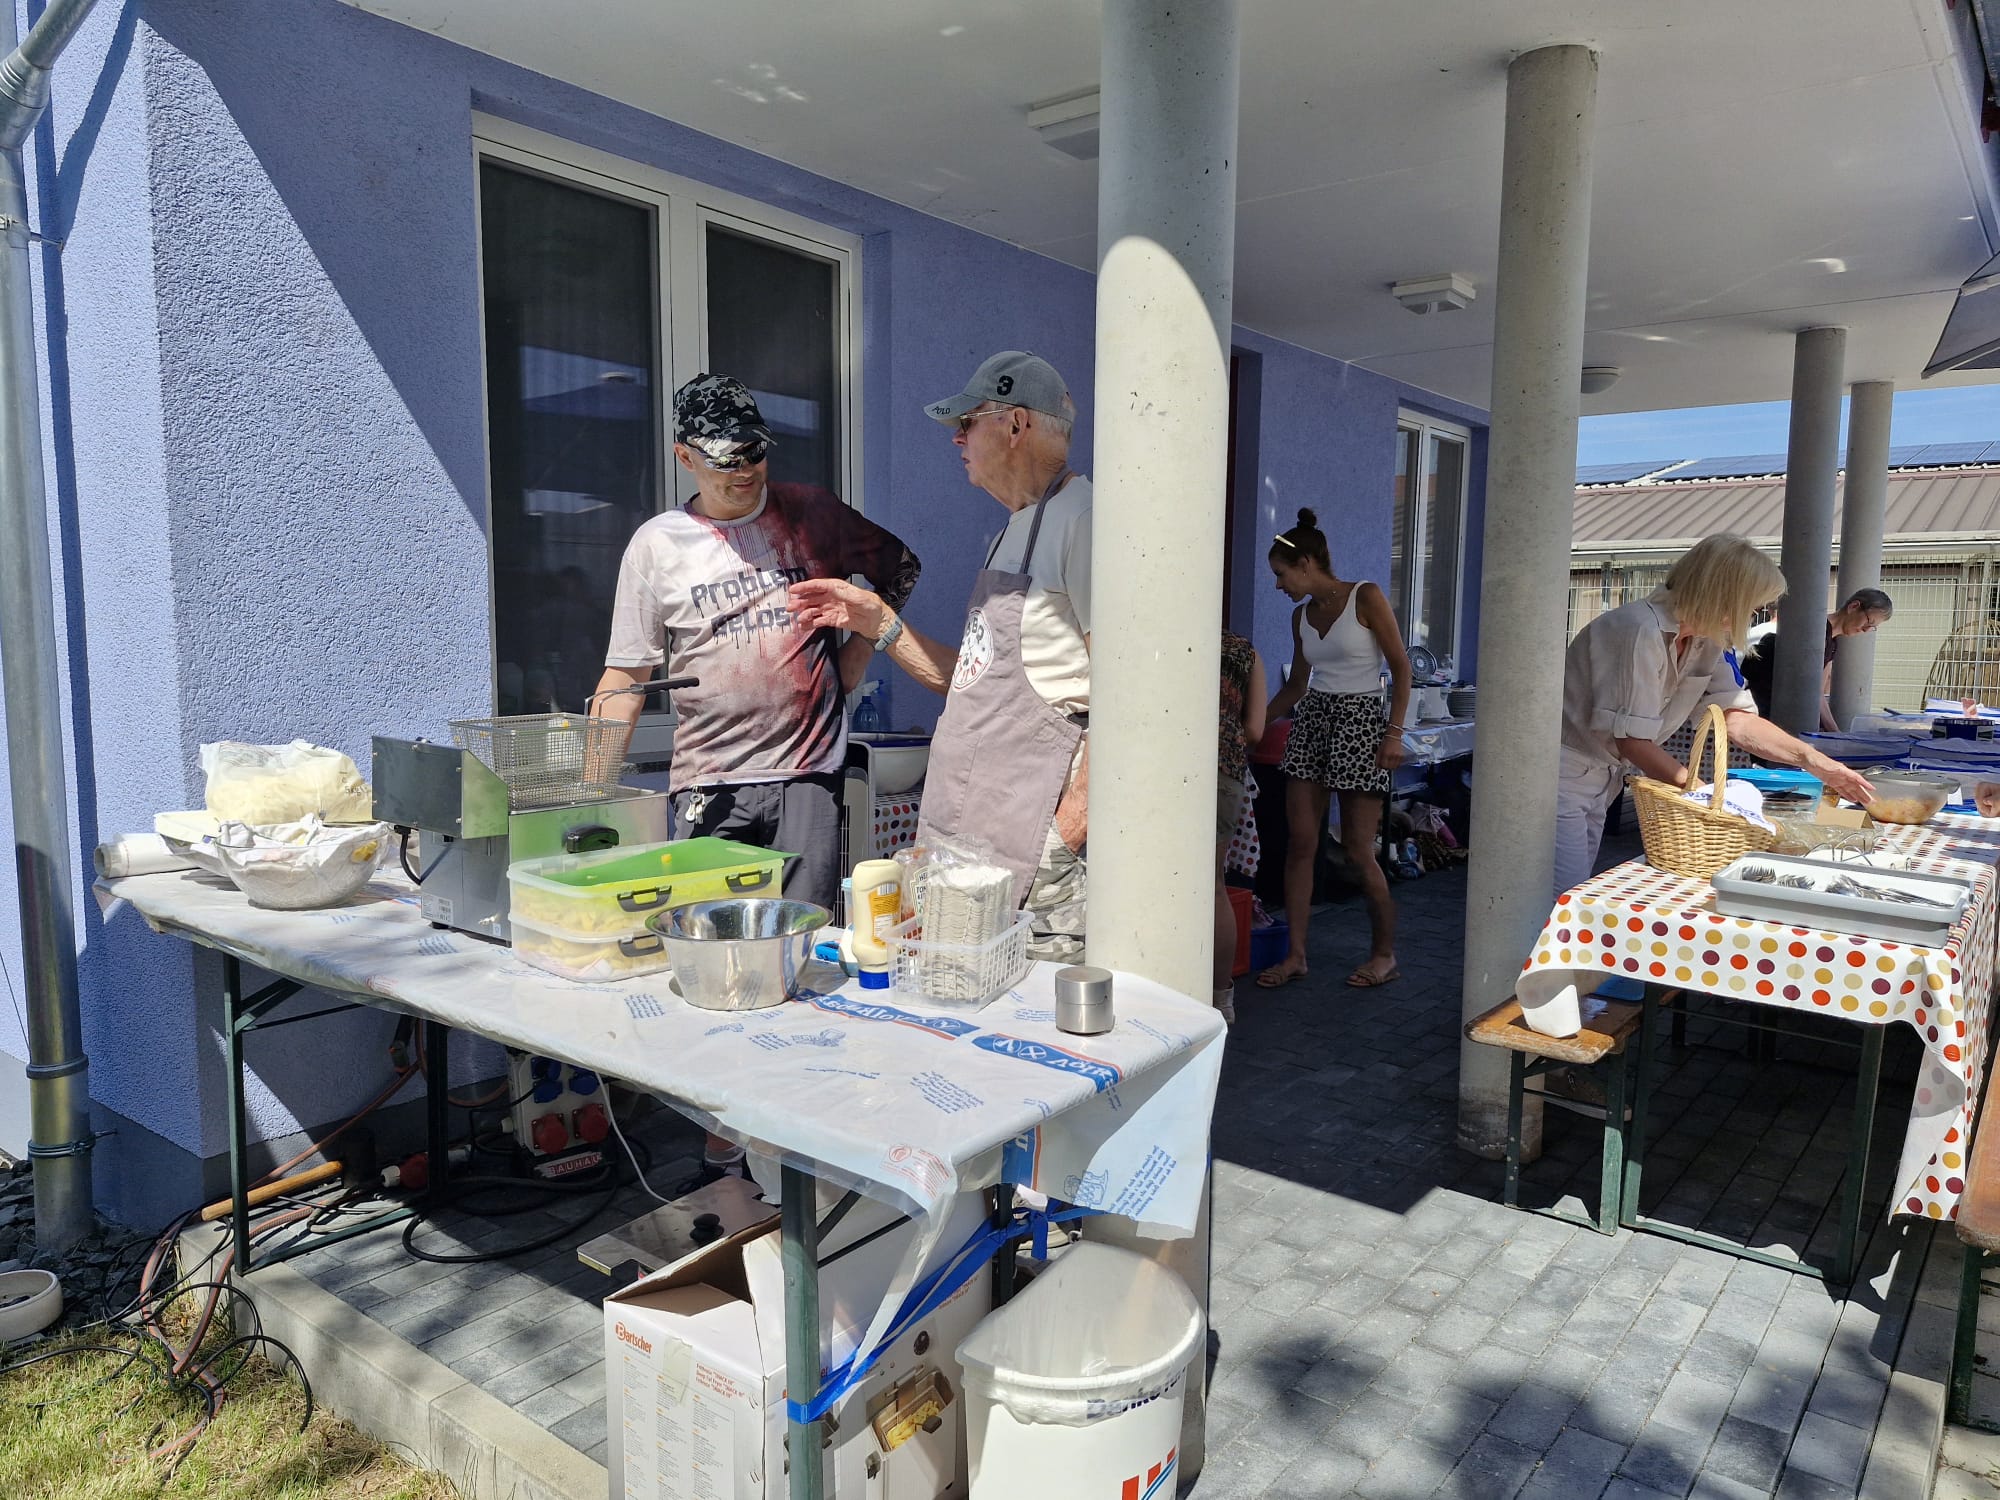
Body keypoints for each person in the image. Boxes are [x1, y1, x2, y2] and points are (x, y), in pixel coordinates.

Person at [595, 373, 921, 1190]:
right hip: (707, 783)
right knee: (715, 970)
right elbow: (625, 676)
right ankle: (725, 1139)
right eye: (724, 460)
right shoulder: (657, 546)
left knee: (802, 959)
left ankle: (800, 1132)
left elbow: (898, 573)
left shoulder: (813, 514)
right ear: (685, 457)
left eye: (753, 455)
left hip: (808, 772)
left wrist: (853, 661)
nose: (743, 472)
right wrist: (588, 795)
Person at [790, 351, 1092, 961]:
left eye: (967, 422)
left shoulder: (1084, 522)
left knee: (1034, 1007)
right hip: (981, 836)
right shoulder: (1013, 531)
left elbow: (1133, 696)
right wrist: (878, 623)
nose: (956, 438)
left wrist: (1068, 828)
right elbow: (978, 682)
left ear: (1015, 424)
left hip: (1037, 839)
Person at [1557, 532, 1877, 895]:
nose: (1752, 614)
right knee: (1562, 892)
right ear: (1723, 595)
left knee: (1574, 886)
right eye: (1751, 604)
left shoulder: (1704, 638)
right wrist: (1707, 795)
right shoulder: (1638, 629)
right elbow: (1632, 741)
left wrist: (1814, 761)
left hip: (1605, 777)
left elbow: (1736, 717)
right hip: (1562, 775)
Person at [1255, 509, 1412, 990]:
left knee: (1359, 850)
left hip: (1362, 722)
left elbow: (1401, 668)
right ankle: (1296, 955)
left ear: (1305, 564)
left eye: (1281, 574)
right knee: (1302, 843)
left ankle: (1384, 955)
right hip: (1314, 721)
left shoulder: (1366, 596)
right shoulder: (1300, 616)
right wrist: (1252, 728)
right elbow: (1297, 685)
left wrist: (1394, 734)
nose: (1279, 585)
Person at [1740, 587, 1894, 728]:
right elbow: (1805, 689)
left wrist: (1836, 733)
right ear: (1853, 606)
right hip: (1767, 715)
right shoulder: (1816, 633)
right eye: (1869, 621)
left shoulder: (1831, 642)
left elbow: (1817, 692)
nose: (1866, 630)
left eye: (1872, 627)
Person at [1215, 629, 1267, 1024]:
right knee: (1212, 886)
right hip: (1223, 771)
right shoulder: (1243, 651)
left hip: (1160, 768)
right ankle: (1221, 999)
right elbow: (1255, 732)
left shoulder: (1153, 638)